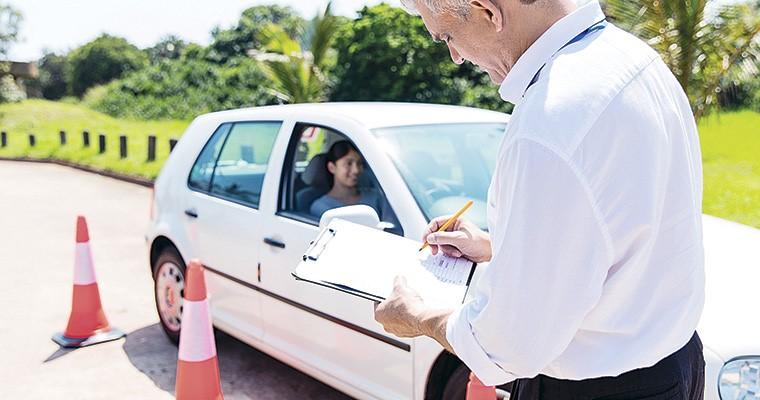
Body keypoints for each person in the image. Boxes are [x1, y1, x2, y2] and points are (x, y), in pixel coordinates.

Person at [373, 1, 706, 399]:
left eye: (447, 36)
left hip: (596, 390)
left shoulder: (550, 121)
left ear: (487, 11)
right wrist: (502, 248)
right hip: (675, 364)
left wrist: (418, 315)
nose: (457, 57)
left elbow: (509, 347)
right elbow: (625, 230)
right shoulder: (635, 59)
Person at [310, 140, 384, 218]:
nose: (356, 170)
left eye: (359, 163)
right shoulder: (322, 207)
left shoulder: (376, 197)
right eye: (348, 163)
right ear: (332, 167)